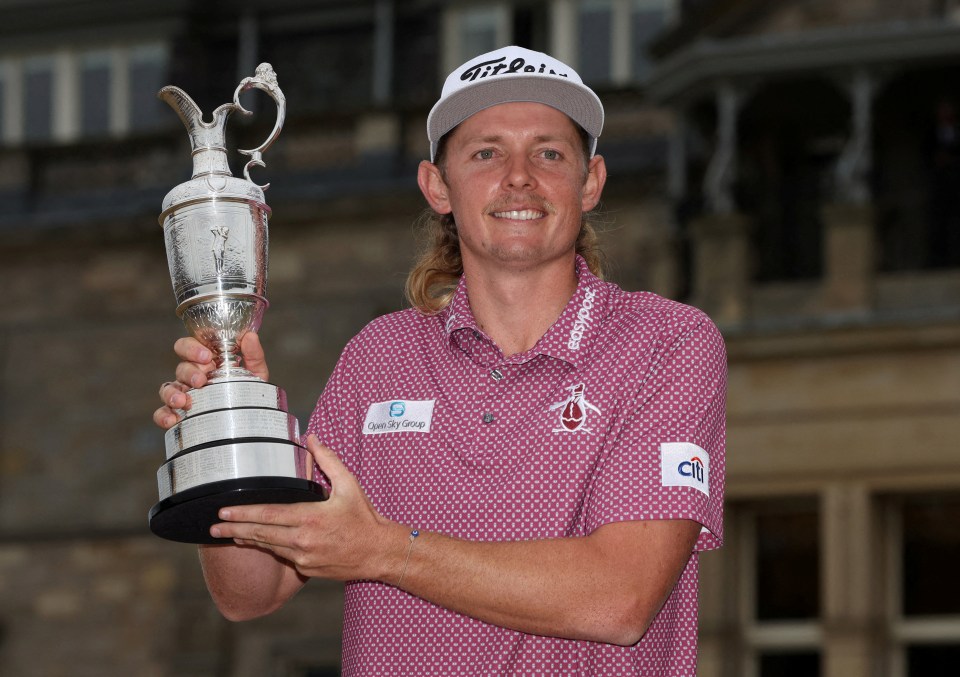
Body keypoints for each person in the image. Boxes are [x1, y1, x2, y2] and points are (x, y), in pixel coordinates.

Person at [154, 45, 726, 676]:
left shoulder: (664, 342)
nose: (519, 176)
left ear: (590, 183)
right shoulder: (379, 356)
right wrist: (236, 436)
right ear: (437, 186)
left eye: (550, 152)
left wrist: (386, 552)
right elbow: (250, 592)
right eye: (485, 152)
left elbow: (621, 598)